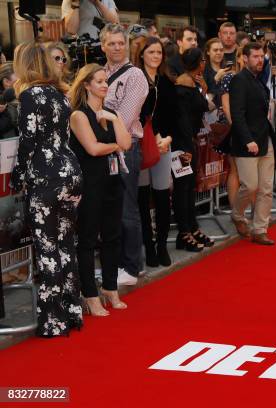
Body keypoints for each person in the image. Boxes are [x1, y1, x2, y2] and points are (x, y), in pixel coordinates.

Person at [10, 42, 83, 337]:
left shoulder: (30, 96)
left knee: (47, 249)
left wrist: (17, 175)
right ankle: (72, 310)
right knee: (66, 244)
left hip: (45, 180)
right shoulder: (61, 95)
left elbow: (28, 142)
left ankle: (53, 320)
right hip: (71, 175)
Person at [68, 63, 132, 316]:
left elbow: (126, 143)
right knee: (87, 239)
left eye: (106, 81)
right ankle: (90, 295)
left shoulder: (109, 112)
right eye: (99, 81)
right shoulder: (78, 115)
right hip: (90, 184)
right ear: (86, 85)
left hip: (113, 182)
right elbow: (93, 148)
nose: (105, 85)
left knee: (113, 236)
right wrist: (114, 145)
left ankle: (109, 288)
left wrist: (115, 119)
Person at [100, 23, 149, 285]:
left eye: (121, 43)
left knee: (127, 209)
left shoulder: (135, 76)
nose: (117, 47)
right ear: (103, 46)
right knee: (110, 210)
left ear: (127, 45)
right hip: (103, 150)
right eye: (112, 43)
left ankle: (132, 266)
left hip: (126, 148)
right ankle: (117, 262)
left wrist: (97, 117)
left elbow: (125, 118)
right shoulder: (98, 74)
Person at [229, 42, 276, 245]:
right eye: (255, 56)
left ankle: (260, 229)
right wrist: (248, 139)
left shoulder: (258, 80)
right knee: (250, 186)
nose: (259, 60)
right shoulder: (239, 80)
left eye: (261, 56)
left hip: (265, 140)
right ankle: (238, 215)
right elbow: (237, 114)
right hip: (246, 143)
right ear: (245, 58)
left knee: (266, 188)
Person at [134, 36, 175, 266]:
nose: (156, 56)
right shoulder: (136, 80)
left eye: (159, 52)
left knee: (161, 197)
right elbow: (137, 114)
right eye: (151, 52)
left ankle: (161, 245)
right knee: (141, 198)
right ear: (142, 55)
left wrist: (167, 137)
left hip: (164, 146)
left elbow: (174, 115)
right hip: (142, 144)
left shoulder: (167, 82)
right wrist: (156, 135)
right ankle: (148, 246)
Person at [173, 47, 212, 252]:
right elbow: (183, 118)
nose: (205, 63)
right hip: (182, 144)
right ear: (199, 63)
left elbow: (202, 109)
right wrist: (185, 146)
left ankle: (193, 227)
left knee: (190, 188)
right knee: (183, 188)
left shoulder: (193, 83)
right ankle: (183, 233)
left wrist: (203, 91)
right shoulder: (182, 86)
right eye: (203, 59)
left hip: (190, 141)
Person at [218, 47, 244, 215]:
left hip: (249, 128)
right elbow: (226, 106)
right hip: (233, 127)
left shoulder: (252, 77)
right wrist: (236, 126)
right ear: (239, 58)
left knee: (247, 172)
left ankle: (243, 210)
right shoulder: (229, 77)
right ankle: (236, 211)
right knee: (235, 169)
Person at [204, 38, 231, 108]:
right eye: (215, 50)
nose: (219, 53)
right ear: (208, 52)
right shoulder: (203, 70)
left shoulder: (228, 69)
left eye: (221, 50)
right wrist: (216, 79)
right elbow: (203, 94)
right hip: (211, 112)